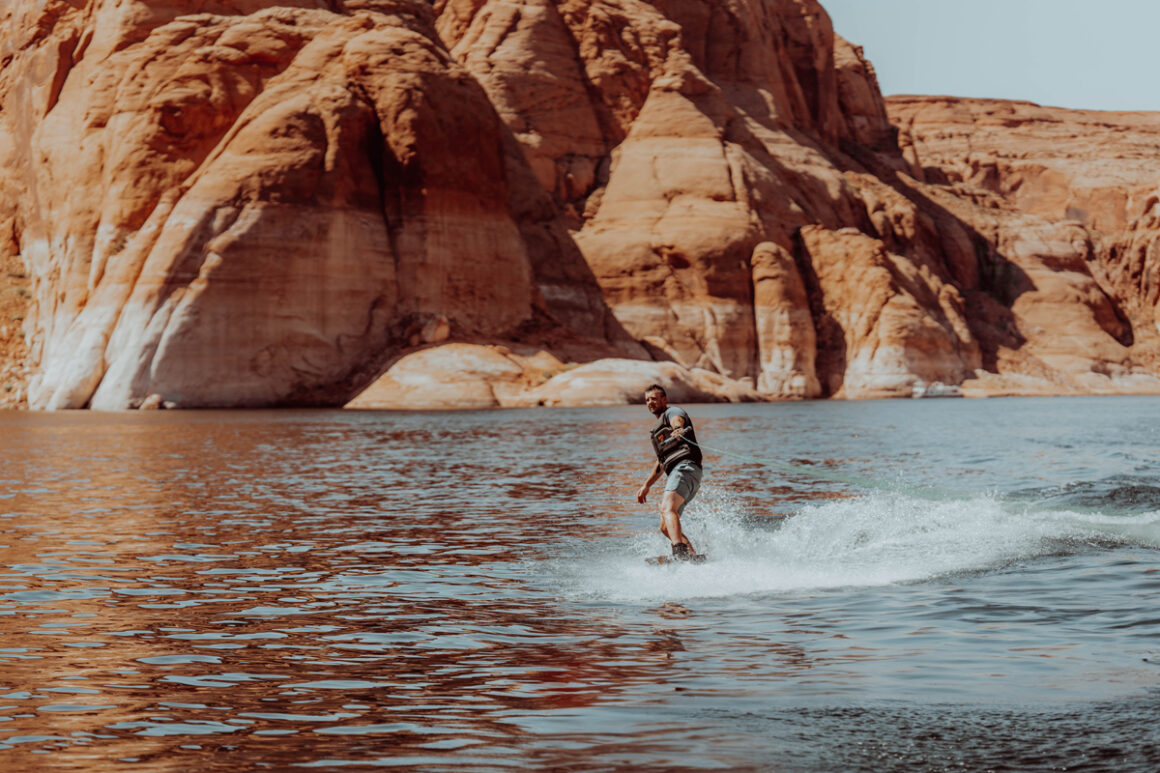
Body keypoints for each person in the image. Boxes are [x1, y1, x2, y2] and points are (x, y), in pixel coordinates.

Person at [636, 383, 703, 560]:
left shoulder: (672, 413)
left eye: (654, 399)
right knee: (665, 526)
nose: (650, 402)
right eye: (647, 400)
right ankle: (692, 555)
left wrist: (678, 429)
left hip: (686, 467)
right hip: (684, 473)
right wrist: (646, 485)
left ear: (663, 400)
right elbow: (661, 463)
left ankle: (679, 553)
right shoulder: (655, 432)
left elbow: (677, 420)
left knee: (667, 508)